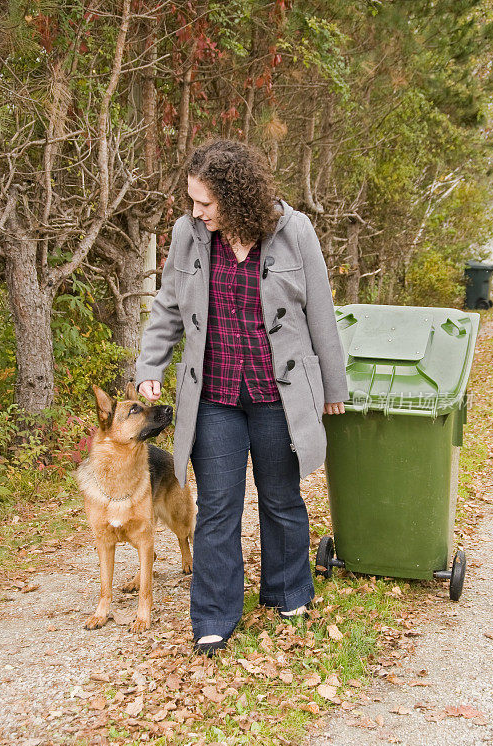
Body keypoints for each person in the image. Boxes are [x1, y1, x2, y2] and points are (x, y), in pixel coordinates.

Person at [136, 139, 348, 655]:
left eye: (205, 202)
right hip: (214, 397)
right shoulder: (188, 236)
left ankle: (287, 591)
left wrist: (333, 389)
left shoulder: (293, 232)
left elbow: (320, 312)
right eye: (191, 200)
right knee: (217, 507)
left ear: (235, 196)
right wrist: (150, 367)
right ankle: (213, 615)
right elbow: (167, 306)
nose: (196, 211)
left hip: (279, 393)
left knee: (280, 498)